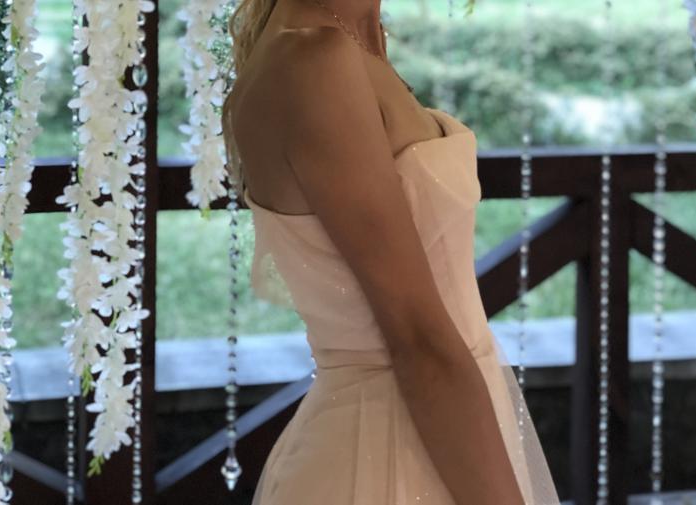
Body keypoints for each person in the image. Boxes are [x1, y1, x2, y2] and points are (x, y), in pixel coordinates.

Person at [220, 0, 560, 503]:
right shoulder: (313, 59)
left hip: (441, 434)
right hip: (391, 456)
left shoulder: (355, 36)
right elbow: (417, 338)